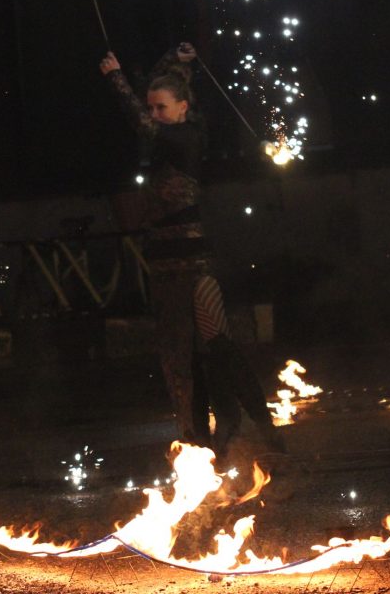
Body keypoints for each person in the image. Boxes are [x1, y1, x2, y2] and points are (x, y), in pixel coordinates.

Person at [99, 45, 283, 456]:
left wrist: (115, 76)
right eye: (151, 107)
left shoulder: (184, 137)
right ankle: (199, 438)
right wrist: (176, 59)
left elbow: (142, 123)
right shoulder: (169, 135)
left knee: (218, 343)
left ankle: (261, 426)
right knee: (179, 358)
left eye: (161, 108)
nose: (154, 114)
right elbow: (153, 103)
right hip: (164, 260)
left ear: (182, 107)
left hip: (193, 261)